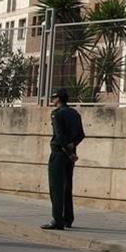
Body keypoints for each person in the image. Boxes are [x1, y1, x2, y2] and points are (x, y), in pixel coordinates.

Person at [42, 88, 85, 230]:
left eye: (54, 97)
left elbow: (59, 136)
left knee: (56, 188)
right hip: (70, 154)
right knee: (67, 187)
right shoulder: (75, 114)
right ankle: (68, 218)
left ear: (58, 99)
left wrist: (68, 151)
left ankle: (57, 219)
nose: (52, 100)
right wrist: (72, 148)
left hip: (60, 154)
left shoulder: (57, 114)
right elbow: (81, 134)